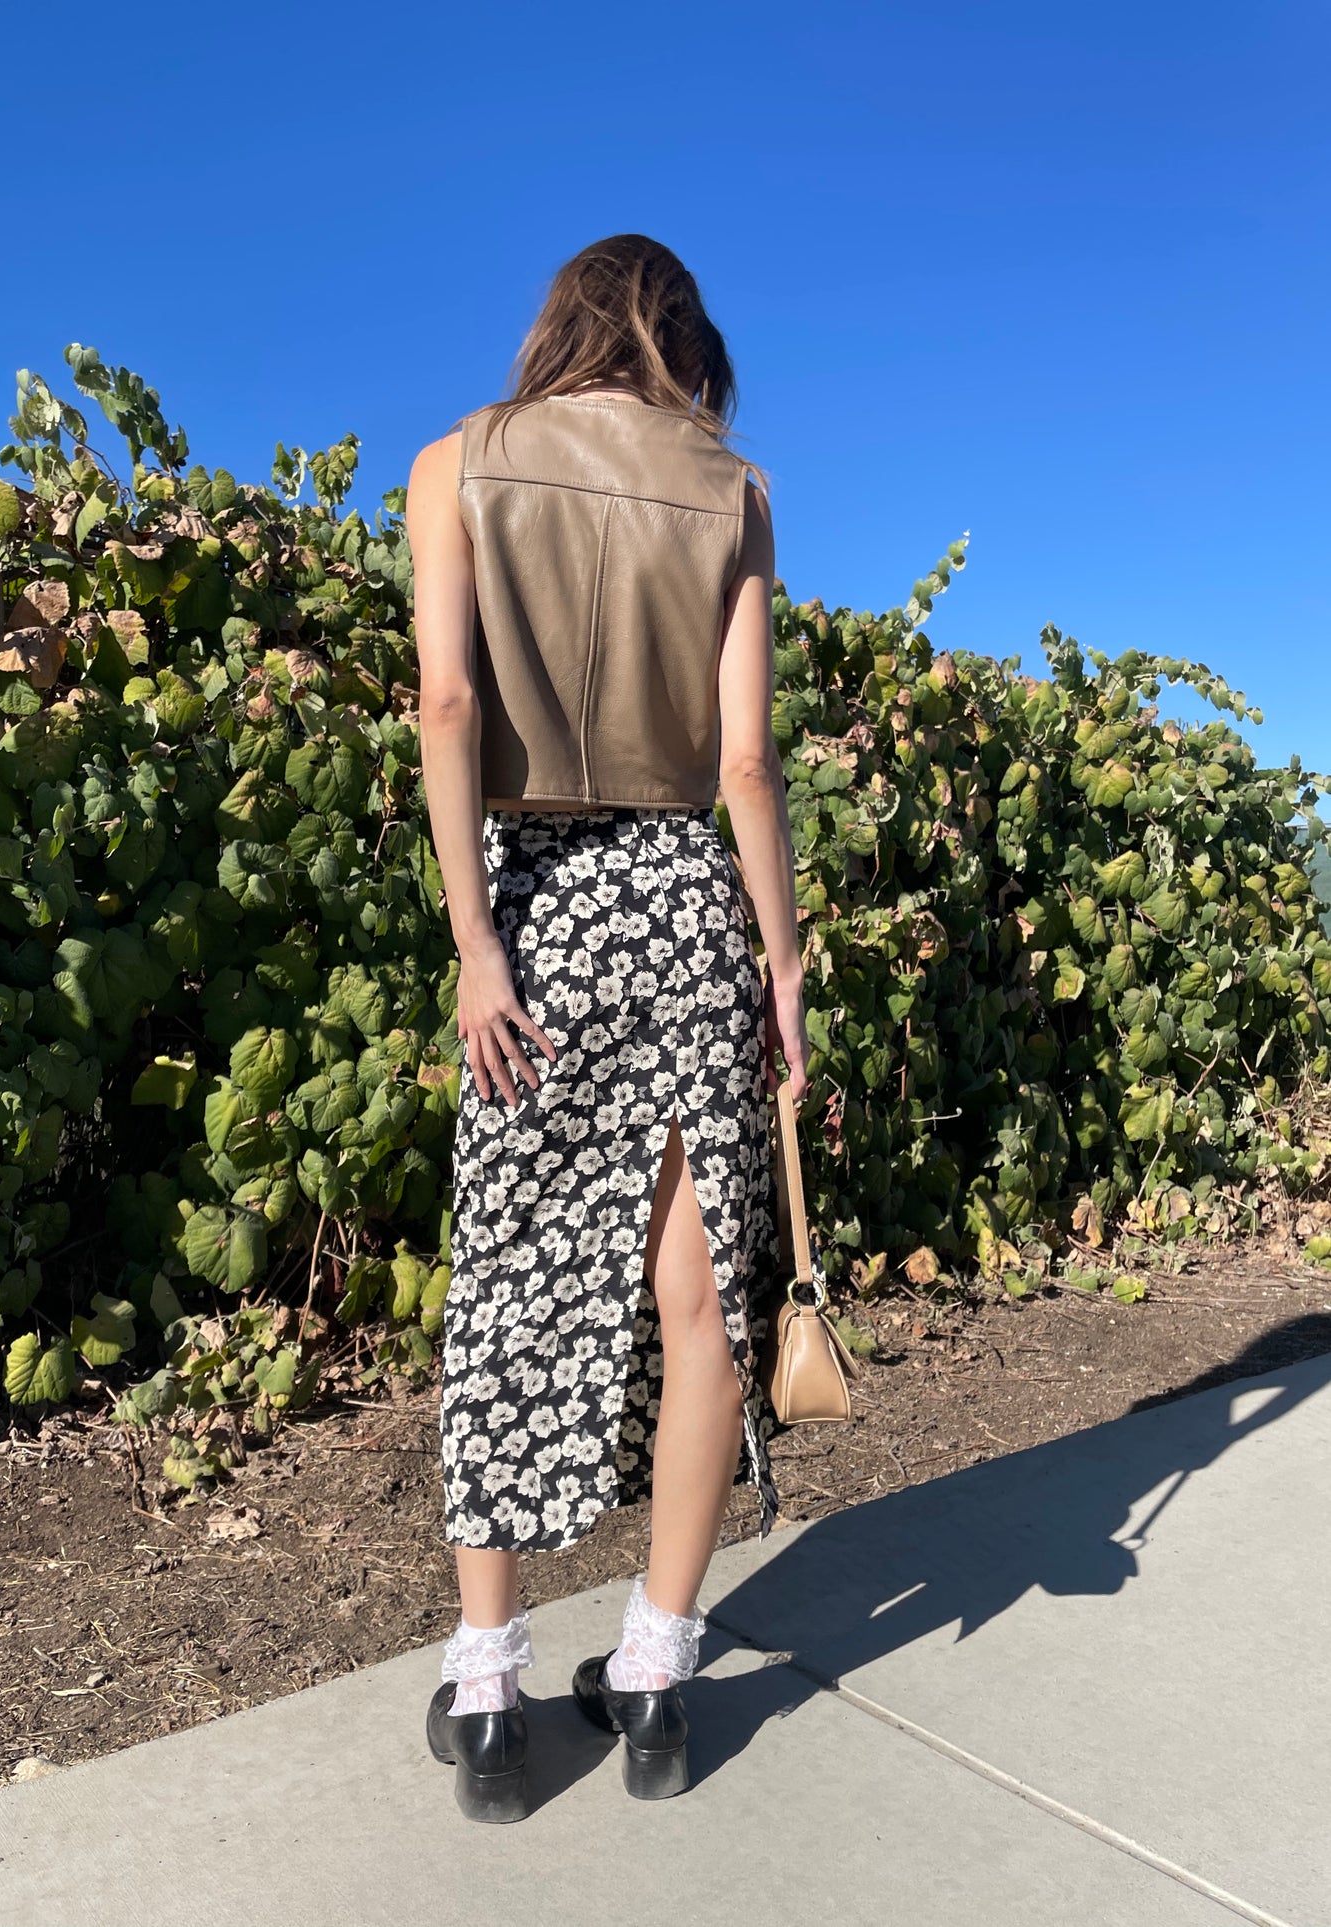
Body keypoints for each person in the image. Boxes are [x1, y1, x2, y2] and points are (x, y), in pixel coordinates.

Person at [404, 233, 811, 1823]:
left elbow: (446, 708)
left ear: (557, 326)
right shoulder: (734, 490)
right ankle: (653, 1672)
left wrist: (472, 941)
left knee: (507, 1283)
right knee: (697, 1295)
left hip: (542, 911)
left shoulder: (457, 464)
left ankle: (492, 1695)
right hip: (686, 908)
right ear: (683, 342)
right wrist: (778, 964)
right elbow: (746, 767)